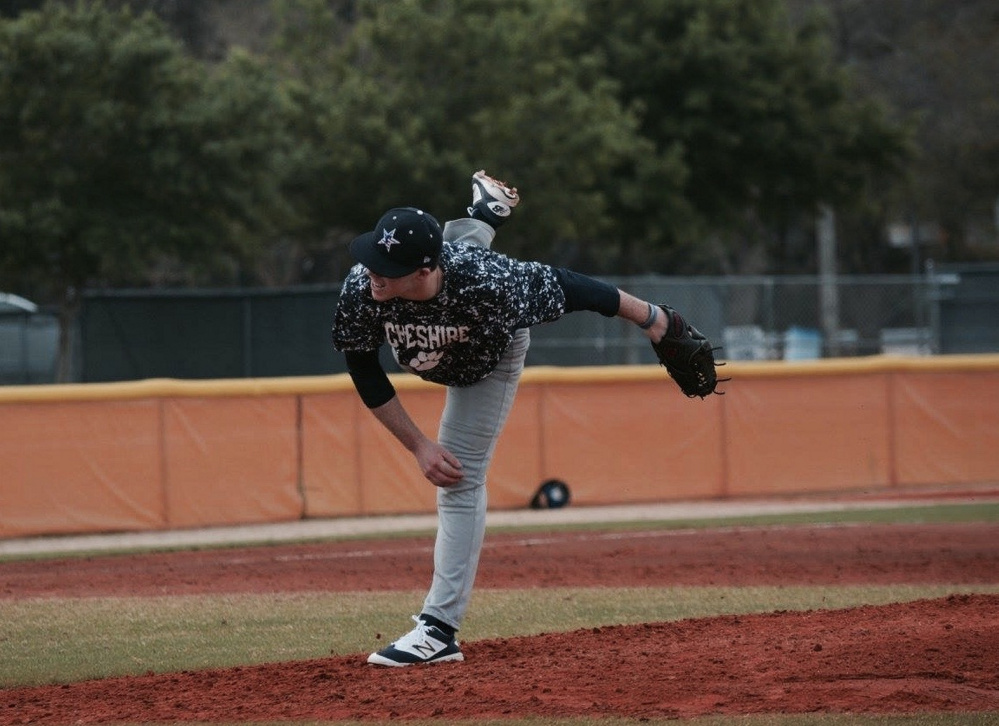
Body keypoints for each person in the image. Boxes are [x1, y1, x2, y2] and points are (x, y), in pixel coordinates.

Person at [332, 170, 695, 667]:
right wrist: (418, 444)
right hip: (442, 329)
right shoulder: (363, 287)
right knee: (463, 255)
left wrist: (653, 319)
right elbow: (362, 366)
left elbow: (576, 289)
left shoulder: (494, 286)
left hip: (488, 359)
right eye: (372, 257)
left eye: (386, 266)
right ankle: (485, 213)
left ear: (420, 271)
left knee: (459, 480)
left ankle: (438, 631)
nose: (372, 271)